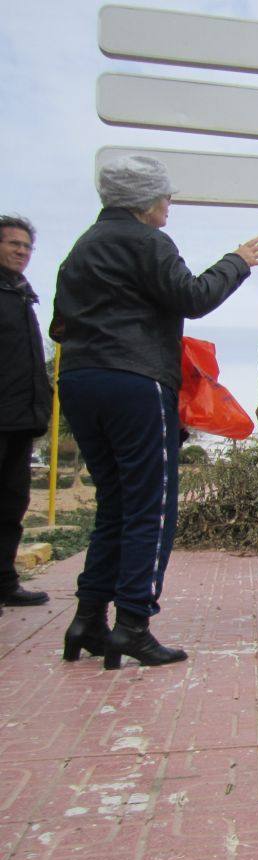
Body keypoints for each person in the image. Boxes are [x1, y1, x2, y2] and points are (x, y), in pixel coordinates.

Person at [51, 156, 258, 667]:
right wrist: (236, 261)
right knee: (153, 504)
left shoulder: (80, 249)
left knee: (115, 504)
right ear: (145, 200)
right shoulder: (148, 242)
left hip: (80, 381)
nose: (169, 204)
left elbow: (58, 326)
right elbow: (193, 296)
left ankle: (88, 620)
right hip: (135, 382)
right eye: (166, 196)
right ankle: (132, 624)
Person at [0, 215, 52, 612]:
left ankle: (5, 582)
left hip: (19, 418)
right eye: (13, 244)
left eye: (26, 246)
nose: (21, 251)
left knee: (12, 503)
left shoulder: (20, 294)